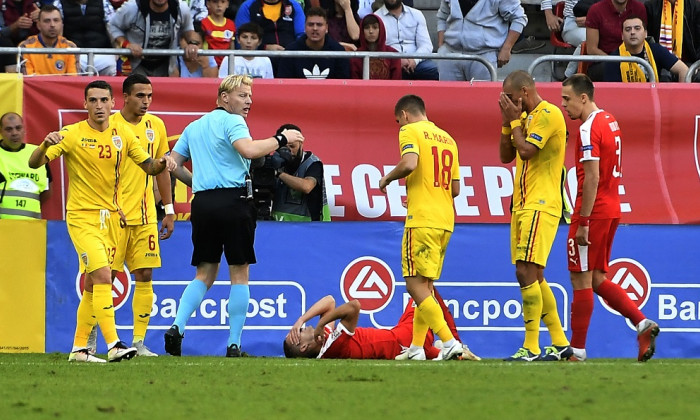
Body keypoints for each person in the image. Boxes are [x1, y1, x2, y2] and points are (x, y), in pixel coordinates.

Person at [27, 80, 175, 363]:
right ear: (85, 104)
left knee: (94, 284)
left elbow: (149, 165)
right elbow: (35, 163)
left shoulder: (124, 136)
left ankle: (79, 349)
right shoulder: (70, 134)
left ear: (112, 103)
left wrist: (164, 164)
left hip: (112, 219)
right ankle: (115, 343)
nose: (98, 106)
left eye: (103, 100)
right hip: (82, 218)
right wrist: (45, 142)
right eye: (92, 100)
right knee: (105, 275)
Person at [164, 74, 304, 357]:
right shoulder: (233, 121)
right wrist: (281, 139)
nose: (248, 101)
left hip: (202, 203)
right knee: (239, 273)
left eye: (250, 96)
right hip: (234, 200)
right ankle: (234, 344)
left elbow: (173, 165)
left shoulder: (194, 126)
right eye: (242, 95)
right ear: (224, 98)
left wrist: (199, 182)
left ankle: (177, 326)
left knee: (204, 272)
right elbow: (249, 150)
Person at [560, 73, 660, 362]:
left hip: (593, 211)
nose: (564, 106)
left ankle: (577, 350)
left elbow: (592, 177)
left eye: (567, 99)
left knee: (579, 278)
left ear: (583, 97)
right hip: (612, 207)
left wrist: (584, 221)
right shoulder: (610, 120)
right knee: (597, 278)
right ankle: (642, 324)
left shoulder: (588, 128)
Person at [377, 95, 463, 361]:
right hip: (445, 219)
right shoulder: (448, 138)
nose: (398, 126)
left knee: (414, 284)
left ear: (404, 114)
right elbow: (456, 188)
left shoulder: (409, 130)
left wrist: (388, 178)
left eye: (397, 121)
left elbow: (410, 163)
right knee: (426, 285)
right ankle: (416, 348)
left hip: (422, 219)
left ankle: (447, 341)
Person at [498, 70, 572, 362]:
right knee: (535, 274)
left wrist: (515, 122)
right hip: (523, 204)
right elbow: (506, 155)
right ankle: (560, 342)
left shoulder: (548, 114)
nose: (510, 104)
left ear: (526, 92)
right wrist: (508, 123)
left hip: (541, 204)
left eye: (513, 99)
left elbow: (527, 150)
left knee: (524, 271)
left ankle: (531, 346)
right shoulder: (522, 119)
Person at [106, 74, 176, 357]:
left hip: (146, 214)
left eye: (149, 96)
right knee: (104, 277)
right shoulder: (109, 125)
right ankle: (90, 339)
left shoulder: (155, 125)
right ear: (125, 96)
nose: (146, 101)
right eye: (140, 96)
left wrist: (168, 210)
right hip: (114, 214)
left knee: (145, 274)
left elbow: (162, 170)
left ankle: (138, 342)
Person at [283, 289, 481, 360]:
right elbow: (354, 306)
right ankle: (454, 342)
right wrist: (321, 323)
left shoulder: (324, 341)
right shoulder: (332, 347)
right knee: (423, 287)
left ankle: (442, 351)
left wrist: (301, 319)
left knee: (419, 290)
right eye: (301, 331)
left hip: (399, 334)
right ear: (303, 346)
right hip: (404, 338)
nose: (304, 327)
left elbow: (329, 301)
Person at [436, 0, 527, 81]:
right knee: (447, 98)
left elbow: (519, 18)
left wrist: (506, 48)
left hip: (483, 56)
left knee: (481, 98)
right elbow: (442, 16)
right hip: (450, 54)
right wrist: (441, 46)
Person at [108, 0, 197, 77]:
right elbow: (113, 26)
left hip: (165, 66)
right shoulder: (132, 8)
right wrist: (127, 44)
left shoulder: (180, 8)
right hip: (136, 64)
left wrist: (192, 43)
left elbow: (188, 28)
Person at [271, 123, 330, 221]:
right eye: (284, 147)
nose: (289, 151)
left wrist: (278, 174)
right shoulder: (274, 162)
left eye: (292, 146)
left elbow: (307, 186)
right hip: (279, 225)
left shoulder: (313, 163)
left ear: (301, 144)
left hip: (309, 226)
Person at [603, 16, 688, 82]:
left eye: (637, 28)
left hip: (655, 100)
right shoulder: (614, 59)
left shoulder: (656, 50)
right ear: (622, 36)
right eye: (628, 29)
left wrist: (680, 97)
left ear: (646, 33)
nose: (632, 32)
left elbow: (683, 70)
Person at [0, 112, 52, 219]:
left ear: (24, 129)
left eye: (18, 128)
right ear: (1, 131)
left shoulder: (37, 153)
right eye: (8, 129)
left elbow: (47, 192)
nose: (14, 133)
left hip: (32, 226)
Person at [276, 7, 350, 79]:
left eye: (319, 25)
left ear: (327, 28)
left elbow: (343, 86)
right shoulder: (290, 52)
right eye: (311, 24)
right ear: (305, 27)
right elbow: (284, 85)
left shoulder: (338, 52)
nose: (315, 28)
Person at [584, 0, 647, 80]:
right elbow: (591, 49)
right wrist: (616, 62)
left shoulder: (639, 8)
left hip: (635, 59)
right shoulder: (596, 10)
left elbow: (643, 39)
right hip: (605, 61)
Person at [375, 0, 437, 80]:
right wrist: (396, 60)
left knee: (433, 70)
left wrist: (414, 60)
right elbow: (378, 47)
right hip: (390, 62)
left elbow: (426, 45)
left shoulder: (416, 14)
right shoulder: (376, 17)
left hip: (417, 62)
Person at [53, 0, 118, 76]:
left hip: (102, 52)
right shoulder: (59, 4)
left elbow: (113, 28)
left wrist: (116, 49)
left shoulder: (104, 3)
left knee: (110, 66)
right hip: (74, 54)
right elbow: (57, 30)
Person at [645, 0, 700, 81]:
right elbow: (648, 39)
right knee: (664, 77)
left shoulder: (695, 7)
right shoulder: (650, 6)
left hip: (690, 62)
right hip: (661, 63)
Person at [17, 5, 79, 75]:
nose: (52, 25)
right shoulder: (25, 47)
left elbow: (73, 80)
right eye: (47, 21)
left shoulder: (70, 47)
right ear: (38, 25)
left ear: (62, 24)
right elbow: (28, 81)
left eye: (56, 20)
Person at [234, 0, 305, 51]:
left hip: (289, 58)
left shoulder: (294, 5)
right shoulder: (248, 6)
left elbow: (302, 35)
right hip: (259, 59)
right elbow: (240, 37)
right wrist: (265, 48)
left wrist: (290, 50)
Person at [350, 13, 401, 79]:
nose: (371, 31)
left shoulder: (393, 54)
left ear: (381, 30)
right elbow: (355, 84)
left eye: (375, 27)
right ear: (362, 31)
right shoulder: (356, 56)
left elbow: (396, 83)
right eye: (367, 28)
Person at [200, 0, 235, 67]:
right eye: (215, 1)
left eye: (223, 2)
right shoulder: (204, 23)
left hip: (226, 65)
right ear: (208, 4)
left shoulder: (231, 24)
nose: (219, 5)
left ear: (227, 4)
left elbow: (231, 45)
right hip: (209, 65)